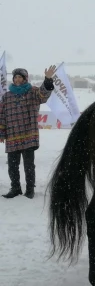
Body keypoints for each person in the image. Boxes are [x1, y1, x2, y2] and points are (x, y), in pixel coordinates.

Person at [0, 65, 56, 198]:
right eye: (15, 77)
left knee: (28, 165)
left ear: (25, 79)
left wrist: (47, 80)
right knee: (12, 166)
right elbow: (2, 114)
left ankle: (30, 189)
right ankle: (15, 188)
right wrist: (2, 132)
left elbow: (44, 95)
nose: (17, 79)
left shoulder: (32, 92)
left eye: (20, 77)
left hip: (28, 134)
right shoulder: (7, 96)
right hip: (12, 135)